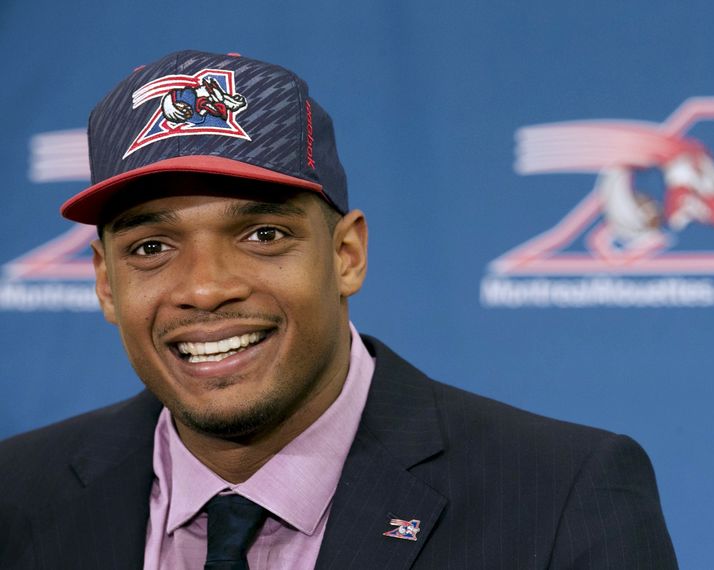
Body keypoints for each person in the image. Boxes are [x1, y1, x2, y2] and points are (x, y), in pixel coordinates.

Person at [0, 50, 678, 569]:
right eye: (151, 246)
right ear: (106, 283)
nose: (204, 289)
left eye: (263, 235)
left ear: (347, 253)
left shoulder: (560, 495)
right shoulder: (16, 494)